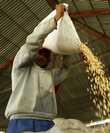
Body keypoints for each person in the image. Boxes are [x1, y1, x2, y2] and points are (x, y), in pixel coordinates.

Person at [5, 4, 70, 133]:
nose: (41, 56)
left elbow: (65, 69)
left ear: (49, 60)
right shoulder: (21, 66)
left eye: (45, 55)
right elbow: (33, 42)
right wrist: (54, 20)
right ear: (35, 53)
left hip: (47, 122)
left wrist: (68, 49)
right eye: (39, 52)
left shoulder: (50, 75)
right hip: (21, 120)